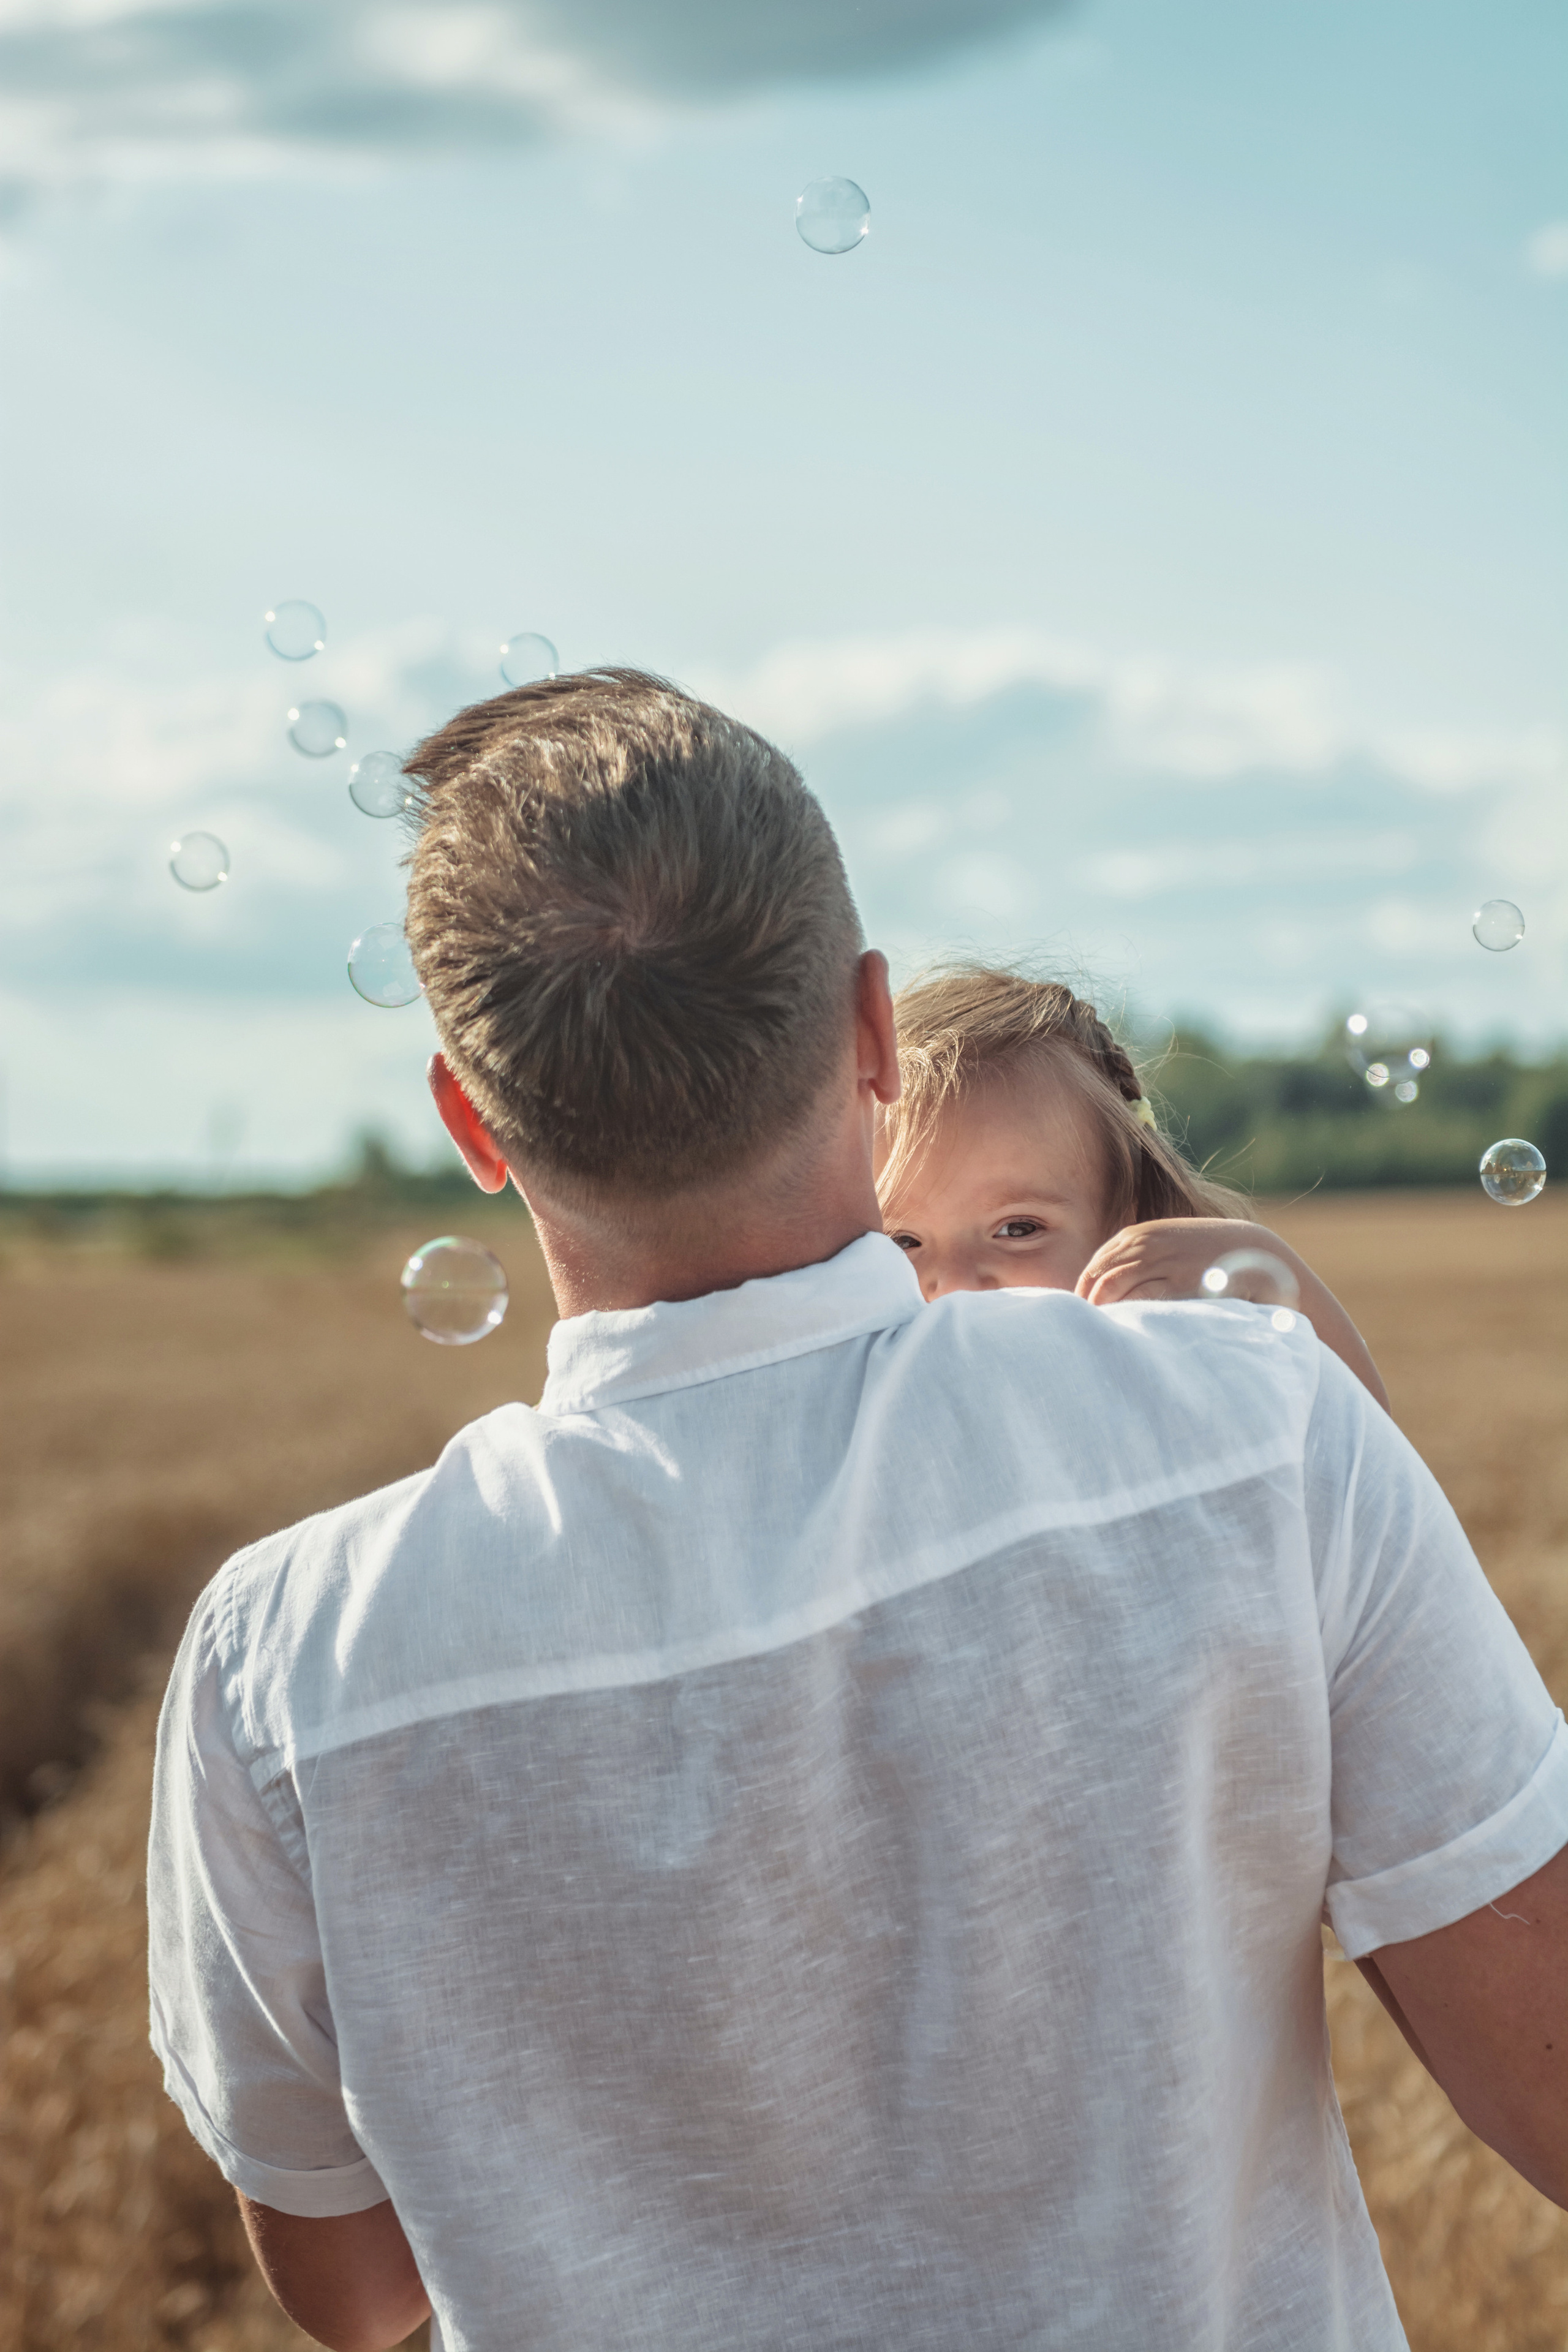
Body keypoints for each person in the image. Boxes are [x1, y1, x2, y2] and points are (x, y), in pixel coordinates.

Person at [148, 669, 1568, 2352]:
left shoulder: (280, 1667)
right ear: (876, 1032)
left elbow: (359, 2288)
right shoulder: (1255, 1426)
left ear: (472, 1119)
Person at [875, 963, 1390, 1408]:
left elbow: (1361, 1447)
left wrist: (1257, 1259)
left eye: (1018, 1228)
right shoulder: (879, 1387)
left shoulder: (1166, 1366)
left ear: (1129, 1220)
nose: (957, 1288)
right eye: (904, 1241)